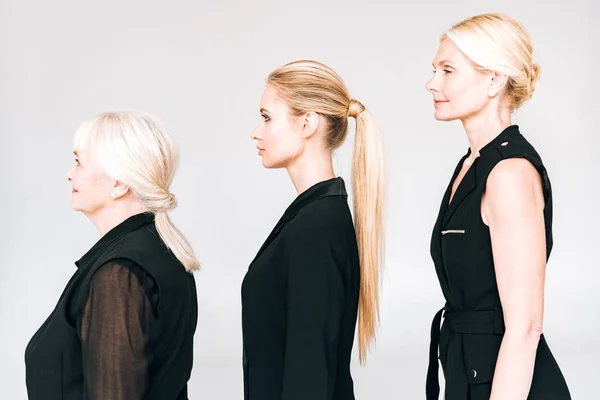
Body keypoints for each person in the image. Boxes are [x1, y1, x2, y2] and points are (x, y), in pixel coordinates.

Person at [425, 13, 571, 399]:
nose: (432, 83)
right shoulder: (472, 164)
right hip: (470, 375)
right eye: (434, 70)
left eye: (447, 71)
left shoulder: (509, 173)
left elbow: (525, 327)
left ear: (493, 79)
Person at [25, 110, 199, 400]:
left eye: (79, 162)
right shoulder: (164, 252)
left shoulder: (119, 274)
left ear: (119, 184)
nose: (69, 173)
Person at [241, 60, 386, 400]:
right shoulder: (315, 217)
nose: (256, 132)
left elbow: (310, 373)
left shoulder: (315, 229)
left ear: (307, 123)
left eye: (266, 117)